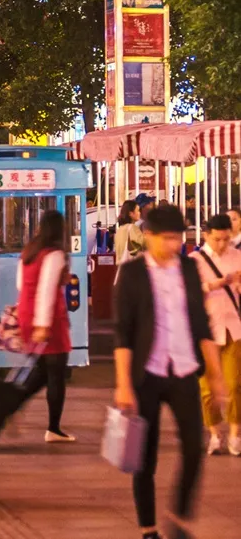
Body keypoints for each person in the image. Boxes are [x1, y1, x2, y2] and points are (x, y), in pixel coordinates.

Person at [114, 204, 225, 539]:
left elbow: (202, 326)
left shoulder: (189, 270)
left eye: (178, 238)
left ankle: (179, 517)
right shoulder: (132, 274)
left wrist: (216, 377)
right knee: (144, 457)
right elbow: (124, 334)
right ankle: (148, 528)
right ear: (147, 236)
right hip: (146, 375)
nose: (173, 245)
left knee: (194, 447)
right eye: (166, 238)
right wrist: (123, 385)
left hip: (184, 370)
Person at [15, 209, 76, 442]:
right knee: (56, 374)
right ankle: (53, 428)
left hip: (26, 313)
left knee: (42, 372)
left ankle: (11, 407)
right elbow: (48, 289)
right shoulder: (55, 254)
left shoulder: (29, 251)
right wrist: (43, 324)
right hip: (49, 319)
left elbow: (22, 284)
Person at [193, 213, 241, 454]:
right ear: (206, 235)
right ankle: (214, 433)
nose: (223, 244)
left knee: (235, 385)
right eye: (217, 239)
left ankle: (234, 434)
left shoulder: (238, 256)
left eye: (226, 239)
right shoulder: (195, 260)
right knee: (207, 389)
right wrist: (215, 284)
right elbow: (190, 295)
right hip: (207, 331)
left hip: (234, 329)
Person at [115, 199, 146, 266]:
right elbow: (145, 242)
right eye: (137, 210)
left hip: (121, 266)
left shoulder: (120, 229)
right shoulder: (132, 228)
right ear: (130, 213)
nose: (139, 213)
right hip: (131, 266)